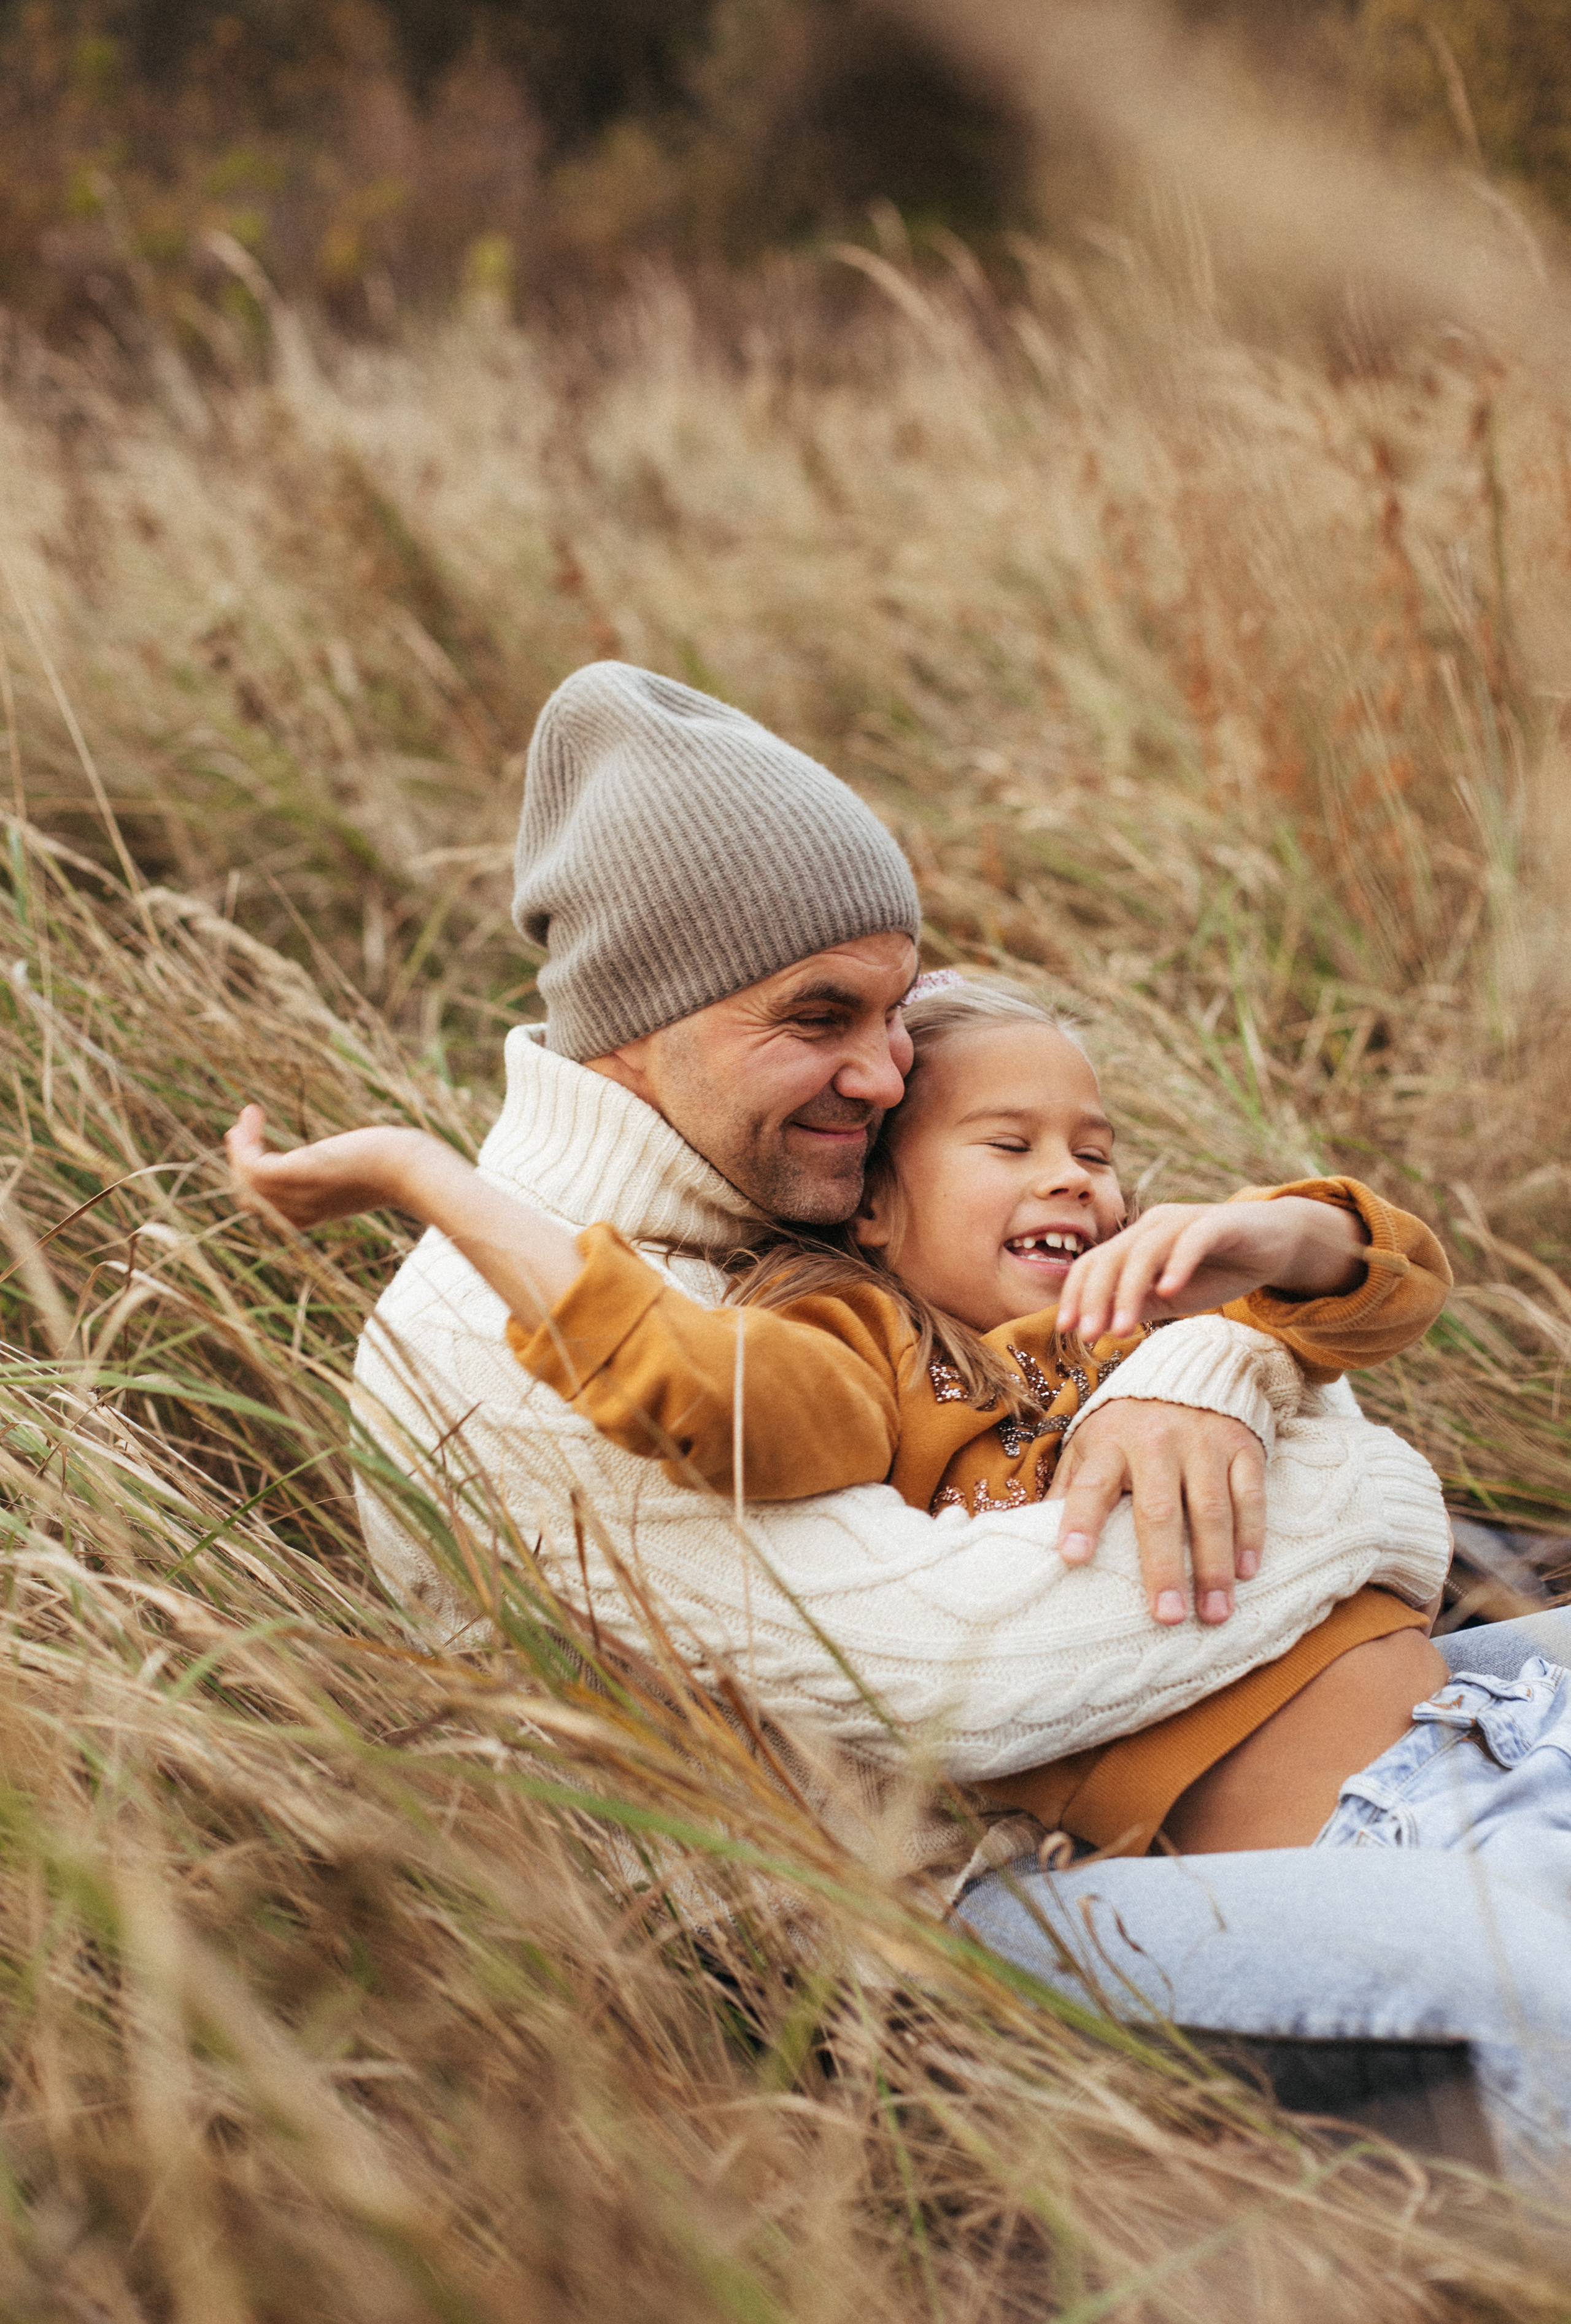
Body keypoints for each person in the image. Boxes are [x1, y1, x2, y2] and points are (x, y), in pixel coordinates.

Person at [323, 660, 1571, 2164]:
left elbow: (1272, 1302)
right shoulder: (497, 1331)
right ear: (644, 1023)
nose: (880, 1070)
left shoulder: (802, 1190)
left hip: (1296, 1729)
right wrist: (1371, 1504)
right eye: (818, 1017)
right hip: (945, 1915)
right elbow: (954, 1676)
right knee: (1534, 1983)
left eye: (892, 1015)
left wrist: (1212, 1363)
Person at [229, 973, 1454, 1861]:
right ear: (870, 1209)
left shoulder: (1149, 1318)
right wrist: (431, 1182)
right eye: (1008, 1144)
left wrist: (1275, 1235)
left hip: (1484, 1730)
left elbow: (1388, 1290)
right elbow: (696, 1388)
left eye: (1095, 1149)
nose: (1072, 1176)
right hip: (1370, 1835)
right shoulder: (866, 1363)